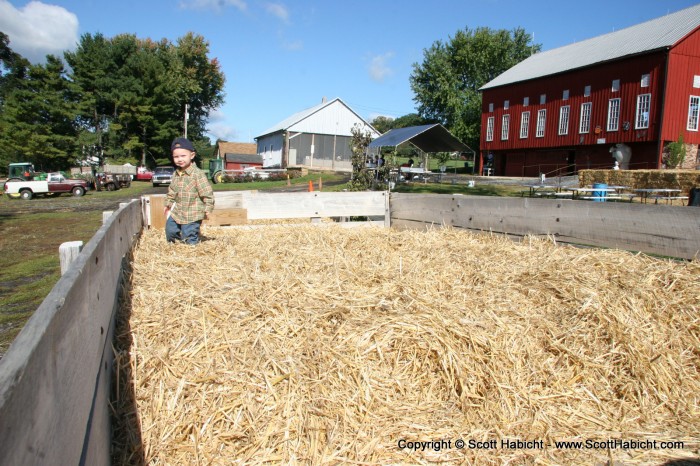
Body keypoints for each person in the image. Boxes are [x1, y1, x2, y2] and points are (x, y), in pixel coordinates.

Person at [164, 137, 214, 245]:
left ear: (192, 155)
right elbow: (172, 191)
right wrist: (168, 204)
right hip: (178, 211)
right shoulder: (176, 174)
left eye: (183, 156)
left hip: (193, 213)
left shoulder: (197, 174)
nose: (179, 159)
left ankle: (191, 252)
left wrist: (208, 207)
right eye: (176, 157)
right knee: (170, 230)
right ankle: (173, 249)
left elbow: (206, 192)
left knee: (188, 235)